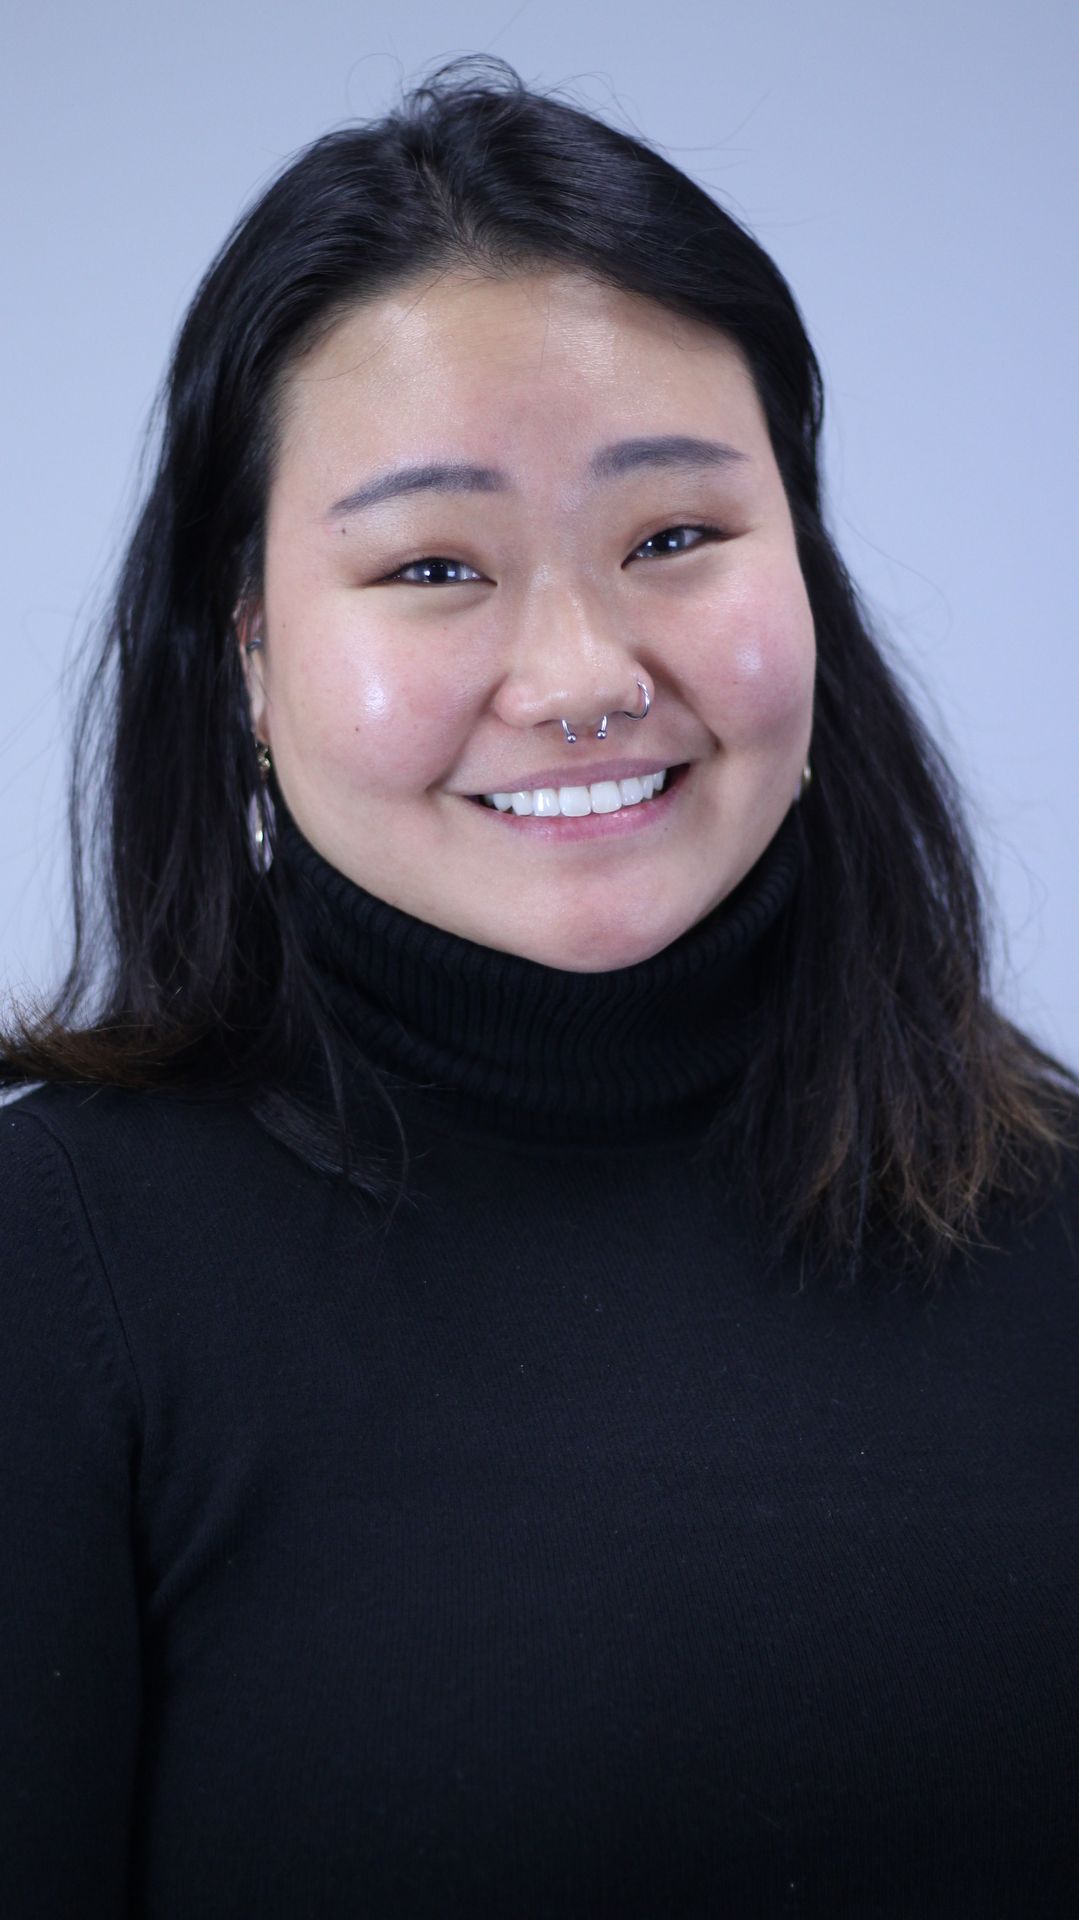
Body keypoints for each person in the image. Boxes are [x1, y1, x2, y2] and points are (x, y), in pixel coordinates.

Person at [2, 53, 1077, 1919]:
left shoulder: (1057, 1226)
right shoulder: (53, 1276)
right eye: (435, 564)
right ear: (251, 654)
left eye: (675, 538)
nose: (581, 675)